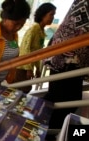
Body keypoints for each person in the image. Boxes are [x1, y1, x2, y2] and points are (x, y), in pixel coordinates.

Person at [43, 0, 89, 131]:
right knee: (62, 100)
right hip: (67, 57)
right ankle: (49, 131)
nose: (52, 18)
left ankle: (50, 130)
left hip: (69, 57)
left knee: (64, 100)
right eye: (50, 14)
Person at [14, 3, 56, 93]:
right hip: (22, 67)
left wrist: (37, 68)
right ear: (43, 14)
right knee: (21, 90)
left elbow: (38, 53)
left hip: (29, 67)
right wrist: (29, 69)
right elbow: (25, 49)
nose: (52, 17)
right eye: (51, 14)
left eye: (54, 15)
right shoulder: (33, 30)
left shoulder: (41, 32)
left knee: (26, 89)